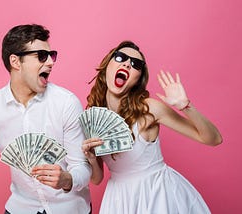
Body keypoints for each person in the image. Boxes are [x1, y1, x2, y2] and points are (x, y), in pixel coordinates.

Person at [0, 24, 92, 214]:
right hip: (20, 208)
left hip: (70, 209)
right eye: (41, 56)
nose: (51, 63)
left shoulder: (66, 103)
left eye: (52, 56)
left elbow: (82, 167)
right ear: (16, 62)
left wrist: (66, 179)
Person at [82, 40, 222, 214]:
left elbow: (214, 139)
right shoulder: (95, 117)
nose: (127, 64)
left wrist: (186, 106)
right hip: (119, 199)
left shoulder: (148, 109)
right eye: (120, 57)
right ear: (106, 68)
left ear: (137, 80)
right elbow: (97, 179)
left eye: (136, 64)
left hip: (156, 194)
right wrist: (92, 159)